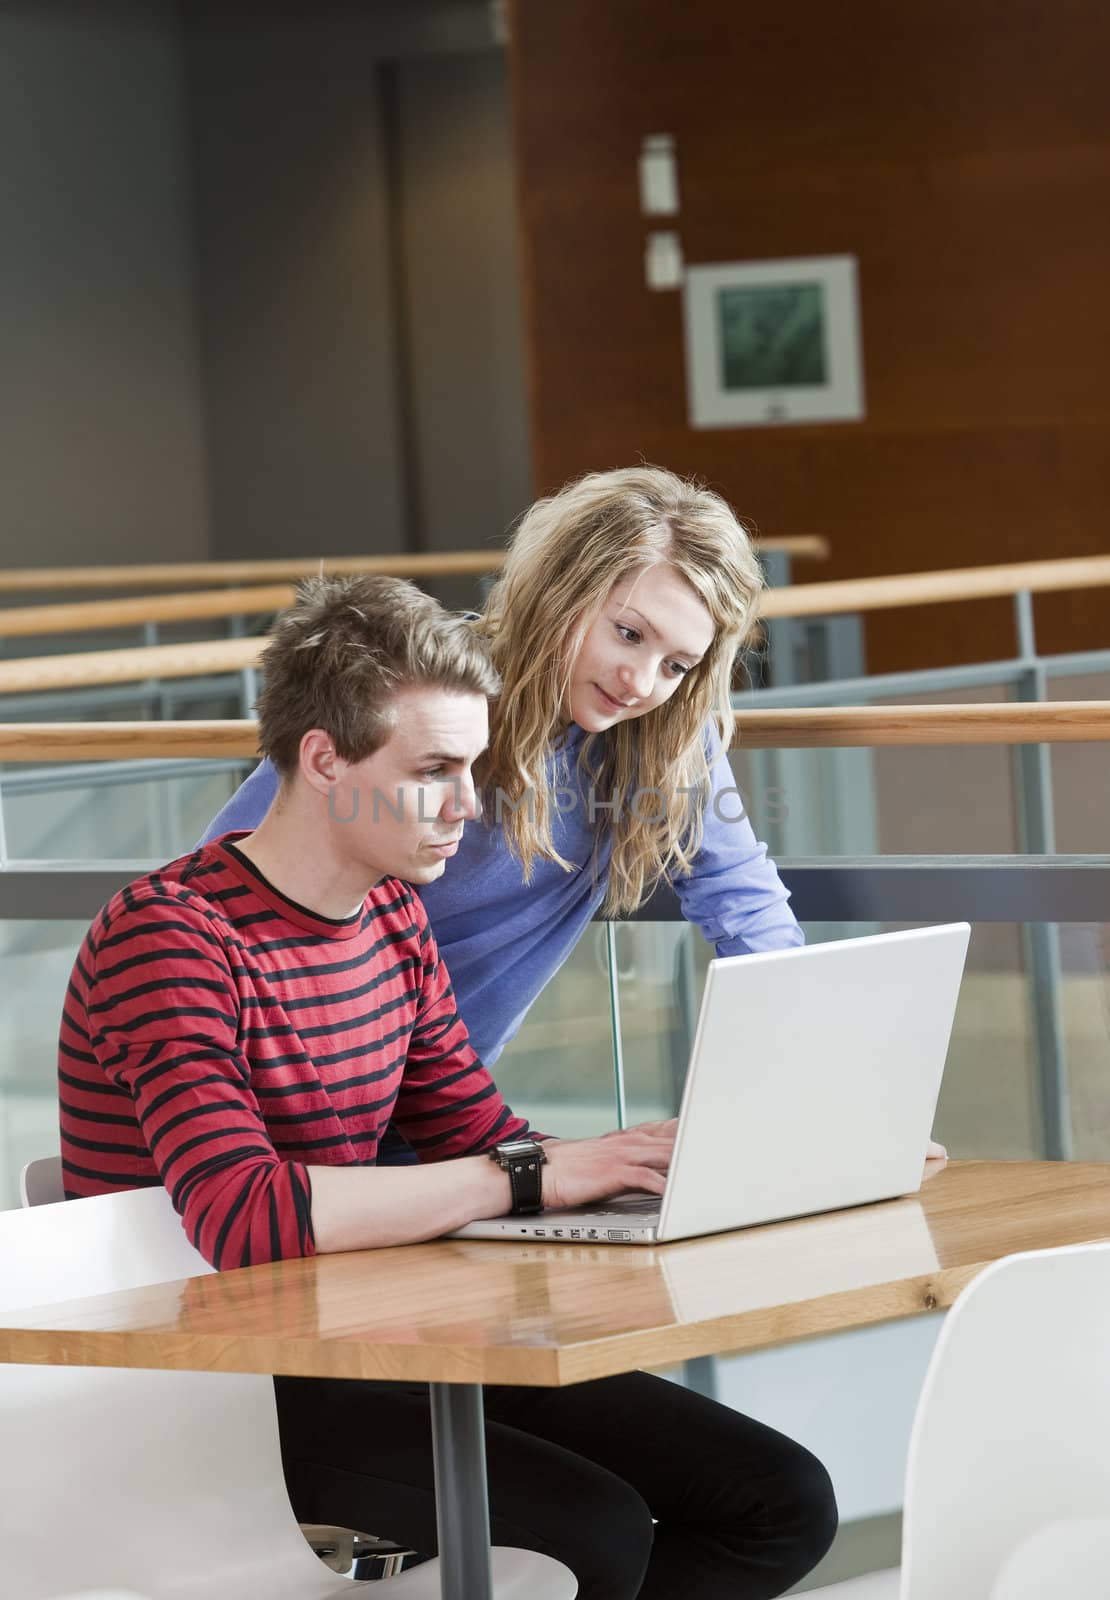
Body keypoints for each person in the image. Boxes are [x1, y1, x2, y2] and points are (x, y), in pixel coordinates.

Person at [59, 575, 838, 1600]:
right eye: (434, 770)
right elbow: (247, 1213)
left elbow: (479, 1131)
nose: (472, 807)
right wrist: (526, 1176)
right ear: (325, 759)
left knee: (777, 1498)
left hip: (373, 1333)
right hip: (222, 1381)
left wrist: (727, 1163)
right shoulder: (170, 936)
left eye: (471, 766)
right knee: (591, 1532)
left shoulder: (392, 919)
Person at [202, 466, 802, 1081]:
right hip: (288, 1090)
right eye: (627, 634)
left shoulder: (667, 738)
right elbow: (214, 890)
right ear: (559, 593)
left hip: (448, 1112)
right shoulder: (422, 686)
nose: (642, 682)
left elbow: (743, 902)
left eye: (676, 665)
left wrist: (813, 1055)